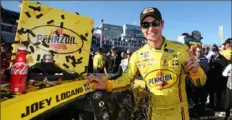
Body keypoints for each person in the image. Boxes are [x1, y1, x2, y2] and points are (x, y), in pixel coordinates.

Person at [87, 7, 206, 120]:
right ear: (141, 28)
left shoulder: (181, 49)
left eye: (155, 23)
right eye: (146, 24)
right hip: (154, 114)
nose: (151, 28)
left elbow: (200, 83)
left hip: (179, 114)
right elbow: (126, 79)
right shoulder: (137, 55)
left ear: (162, 24)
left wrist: (196, 72)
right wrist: (106, 84)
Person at [207, 45, 227, 110]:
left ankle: (218, 106)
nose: (215, 52)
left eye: (216, 50)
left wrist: (221, 76)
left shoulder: (222, 58)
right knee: (211, 93)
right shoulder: (212, 57)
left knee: (218, 94)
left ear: (218, 51)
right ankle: (211, 104)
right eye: (214, 51)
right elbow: (209, 66)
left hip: (219, 79)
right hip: (211, 79)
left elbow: (225, 68)